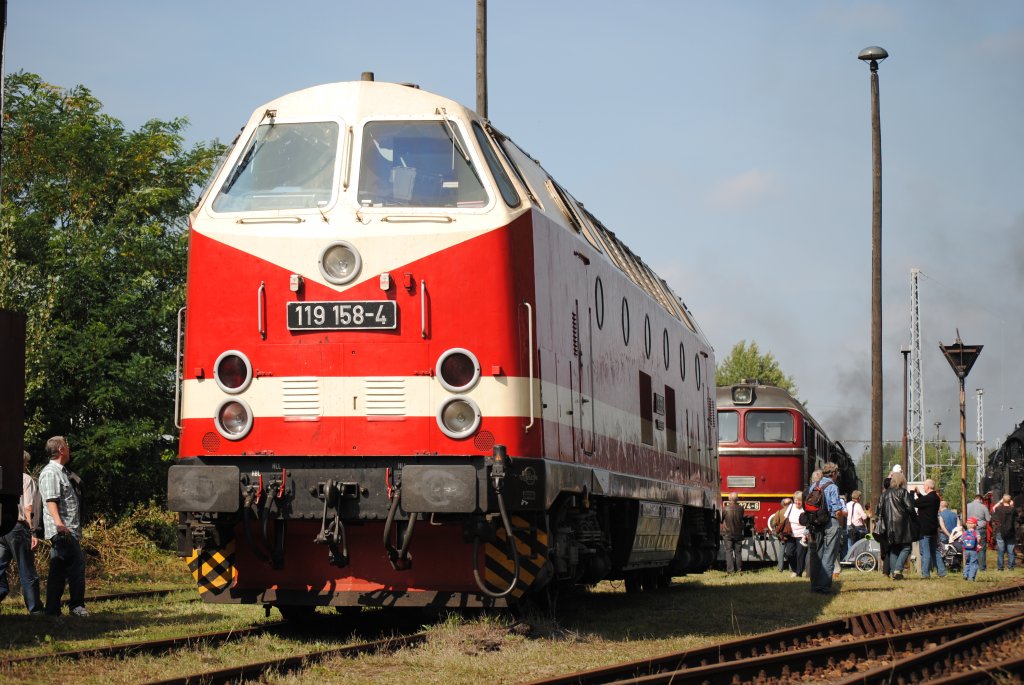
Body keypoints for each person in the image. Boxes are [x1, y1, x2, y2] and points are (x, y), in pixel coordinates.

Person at [39, 436, 87, 617]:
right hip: (62, 530)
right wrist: (60, 525)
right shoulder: (51, 472)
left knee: (58, 570)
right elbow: (51, 501)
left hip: (68, 530)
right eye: (67, 446)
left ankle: (52, 610)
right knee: (77, 566)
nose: (69, 449)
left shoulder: (63, 472)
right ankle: (76, 606)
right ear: (61, 450)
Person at [0, 451, 44, 613]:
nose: (26, 466)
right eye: (26, 463)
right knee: (26, 569)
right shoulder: (25, 479)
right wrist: (34, 532)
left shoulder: (2, 478)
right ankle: (35, 609)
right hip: (18, 527)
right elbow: (29, 508)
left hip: (2, 527)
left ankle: (1, 590)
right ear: (22, 462)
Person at [807, 462, 845, 594]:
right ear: (834, 473)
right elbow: (837, 509)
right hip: (830, 522)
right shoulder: (833, 487)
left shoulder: (814, 485)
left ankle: (814, 586)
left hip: (816, 523)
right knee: (829, 555)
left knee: (817, 554)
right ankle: (823, 587)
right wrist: (840, 523)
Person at [875, 470, 919, 580]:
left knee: (893, 549)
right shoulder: (903, 492)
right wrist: (915, 519)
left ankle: (896, 574)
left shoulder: (884, 494)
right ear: (901, 480)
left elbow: (879, 510)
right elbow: (910, 508)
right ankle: (897, 569)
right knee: (907, 547)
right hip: (902, 525)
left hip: (888, 526)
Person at [914, 479, 946, 578]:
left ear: (927, 487)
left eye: (924, 486)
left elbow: (915, 503)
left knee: (926, 552)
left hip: (925, 529)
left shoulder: (928, 498)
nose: (923, 487)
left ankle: (925, 573)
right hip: (933, 528)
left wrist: (912, 494)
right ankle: (941, 572)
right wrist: (919, 494)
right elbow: (924, 501)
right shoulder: (936, 498)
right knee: (934, 551)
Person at [784, 491, 808, 577]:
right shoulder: (790, 506)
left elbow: (808, 523)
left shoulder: (805, 509)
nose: (797, 502)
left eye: (800, 500)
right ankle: (795, 569)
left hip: (802, 535)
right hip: (791, 534)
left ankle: (799, 573)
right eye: (796, 500)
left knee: (800, 554)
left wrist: (805, 536)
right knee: (789, 553)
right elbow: (785, 518)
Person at [966, 493, 991, 571]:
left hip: (969, 530)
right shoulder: (983, 507)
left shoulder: (967, 506)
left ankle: (971, 565)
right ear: (981, 499)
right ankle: (982, 568)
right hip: (980, 530)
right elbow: (988, 519)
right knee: (981, 549)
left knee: (970, 548)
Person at [992, 493, 1017, 572]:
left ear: (1003, 500)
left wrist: (1000, 502)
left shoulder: (998, 509)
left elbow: (993, 509)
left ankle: (1000, 568)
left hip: (1000, 531)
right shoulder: (1013, 509)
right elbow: (1017, 516)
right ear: (1010, 501)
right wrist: (1012, 505)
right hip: (1011, 531)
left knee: (1000, 550)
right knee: (1011, 550)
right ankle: (1011, 567)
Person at [721, 492, 745, 574]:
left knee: (729, 552)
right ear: (737, 499)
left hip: (727, 534)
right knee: (738, 553)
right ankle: (739, 569)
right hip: (738, 534)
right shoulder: (741, 509)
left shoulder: (725, 509)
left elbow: (721, 519)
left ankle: (730, 570)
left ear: (729, 499)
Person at [768, 498, 793, 572]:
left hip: (782, 536)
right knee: (791, 552)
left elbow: (774, 523)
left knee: (781, 552)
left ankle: (780, 568)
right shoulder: (793, 512)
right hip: (792, 535)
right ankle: (791, 568)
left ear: (783, 504)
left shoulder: (779, 512)